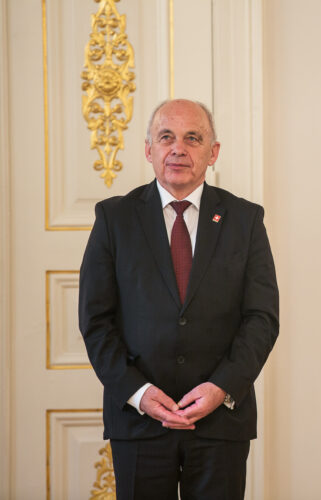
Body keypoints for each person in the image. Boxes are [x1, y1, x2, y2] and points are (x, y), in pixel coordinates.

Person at [79, 99, 279, 500]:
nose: (178, 149)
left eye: (193, 138)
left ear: (213, 152)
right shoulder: (114, 219)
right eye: (166, 137)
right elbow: (96, 320)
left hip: (221, 421)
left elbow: (261, 318)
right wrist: (138, 393)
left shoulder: (245, 220)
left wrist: (221, 388)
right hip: (139, 421)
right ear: (149, 149)